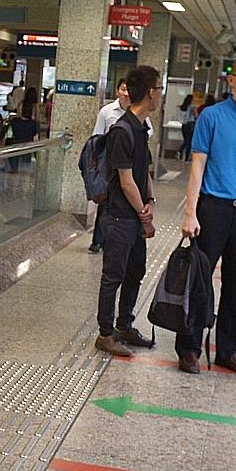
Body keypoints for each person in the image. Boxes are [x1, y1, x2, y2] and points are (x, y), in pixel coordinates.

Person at [177, 55, 236, 374]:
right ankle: (189, 348)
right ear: (231, 80)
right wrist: (190, 213)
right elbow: (197, 166)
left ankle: (228, 350)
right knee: (200, 280)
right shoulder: (211, 116)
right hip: (213, 208)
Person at [94, 65, 161, 357]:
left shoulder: (141, 128)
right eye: (159, 89)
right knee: (113, 276)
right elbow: (126, 180)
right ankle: (105, 333)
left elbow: (143, 171)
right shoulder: (121, 130)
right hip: (119, 216)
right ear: (150, 93)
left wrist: (151, 201)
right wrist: (144, 215)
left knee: (135, 272)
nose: (160, 95)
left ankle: (124, 325)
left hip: (134, 215)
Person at [88, 77, 131, 254]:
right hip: (109, 165)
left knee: (120, 202)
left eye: (129, 89)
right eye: (123, 89)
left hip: (127, 164)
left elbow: (148, 132)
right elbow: (97, 136)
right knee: (105, 201)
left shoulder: (137, 112)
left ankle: (112, 240)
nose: (126, 93)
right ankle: (97, 240)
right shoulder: (107, 112)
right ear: (117, 91)